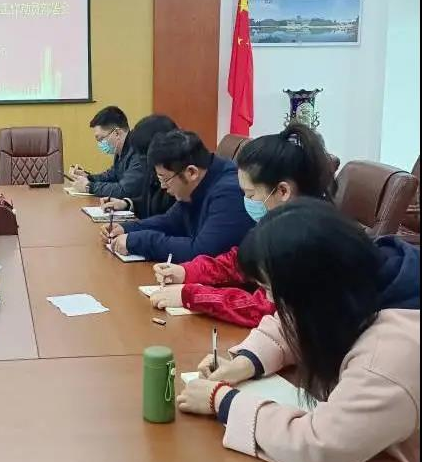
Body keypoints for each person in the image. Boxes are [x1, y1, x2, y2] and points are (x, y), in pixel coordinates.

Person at [177, 199, 419, 462]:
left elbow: (321, 447)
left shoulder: (392, 353)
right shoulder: (363, 276)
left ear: (310, 290)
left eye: (271, 290)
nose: (270, 301)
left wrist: (223, 401)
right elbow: (295, 322)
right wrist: (245, 362)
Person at [150, 123, 335, 327]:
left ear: (283, 191)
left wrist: (191, 296)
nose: (246, 201)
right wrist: (187, 272)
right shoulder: (281, 222)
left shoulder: (308, 239)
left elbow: (266, 309)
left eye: (250, 194)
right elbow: (240, 263)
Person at [102, 130, 254, 262]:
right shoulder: (199, 180)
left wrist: (139, 242)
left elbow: (202, 252)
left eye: (164, 179)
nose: (162, 186)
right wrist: (127, 229)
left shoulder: (230, 192)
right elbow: (171, 221)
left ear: (191, 172)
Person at [99, 114, 179, 219]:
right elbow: (149, 203)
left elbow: (167, 221)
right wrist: (127, 204)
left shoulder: (177, 180)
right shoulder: (153, 171)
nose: (143, 162)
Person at [70, 106, 145, 199]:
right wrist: (88, 177)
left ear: (117, 133)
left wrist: (89, 186)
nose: (100, 143)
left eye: (101, 139)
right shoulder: (122, 149)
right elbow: (112, 176)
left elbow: (125, 190)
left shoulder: (138, 150)